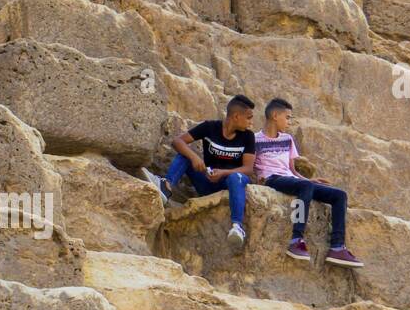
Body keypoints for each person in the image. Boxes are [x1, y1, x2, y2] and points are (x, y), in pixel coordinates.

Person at [254, 98, 363, 268]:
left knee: (339, 195)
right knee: (305, 187)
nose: (289, 122)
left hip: (292, 180)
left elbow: (291, 170)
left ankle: (337, 247)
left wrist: (308, 180)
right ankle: (296, 239)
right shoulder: (255, 140)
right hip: (271, 179)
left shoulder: (287, 139)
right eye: (287, 117)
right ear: (275, 115)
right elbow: (251, 166)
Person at [143, 94, 256, 251]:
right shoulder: (210, 127)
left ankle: (237, 226)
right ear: (236, 116)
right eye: (249, 118)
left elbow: (248, 168)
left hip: (229, 184)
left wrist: (223, 173)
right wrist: (195, 158)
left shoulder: (248, 137)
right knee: (185, 155)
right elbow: (178, 141)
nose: (251, 122)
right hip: (207, 182)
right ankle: (166, 186)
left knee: (236, 176)